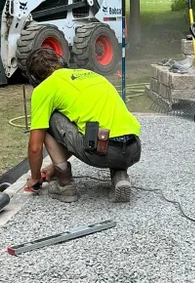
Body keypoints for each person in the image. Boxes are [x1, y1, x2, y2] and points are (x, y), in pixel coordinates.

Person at [25, 46, 141, 203]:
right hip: (133, 149)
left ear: (34, 79)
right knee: (105, 124)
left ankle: (65, 185)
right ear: (61, 62)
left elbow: (35, 147)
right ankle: (120, 176)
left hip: (101, 152)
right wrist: (52, 167)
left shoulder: (44, 89)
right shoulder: (91, 75)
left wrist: (35, 178)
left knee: (47, 120)